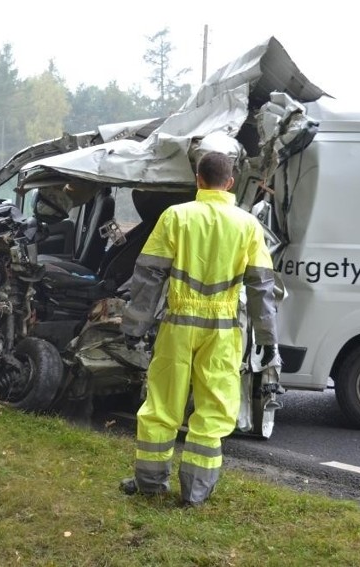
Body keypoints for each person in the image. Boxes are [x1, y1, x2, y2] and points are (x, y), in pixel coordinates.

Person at [119, 150, 279, 507]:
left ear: (198, 180)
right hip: (223, 331)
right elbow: (262, 289)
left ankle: (149, 483)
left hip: (178, 326)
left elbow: (148, 277)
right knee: (213, 411)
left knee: (161, 406)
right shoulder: (248, 225)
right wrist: (269, 342)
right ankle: (195, 492)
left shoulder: (175, 217)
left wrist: (134, 326)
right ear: (231, 182)